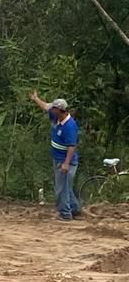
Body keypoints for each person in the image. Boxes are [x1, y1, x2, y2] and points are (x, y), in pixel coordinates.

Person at [30, 90, 81, 220]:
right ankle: (75, 209)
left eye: (54, 109)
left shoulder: (69, 126)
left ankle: (65, 214)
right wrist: (36, 99)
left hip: (65, 161)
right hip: (58, 158)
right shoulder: (56, 116)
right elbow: (46, 106)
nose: (51, 110)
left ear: (60, 110)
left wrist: (66, 163)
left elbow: (71, 146)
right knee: (66, 187)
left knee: (61, 189)